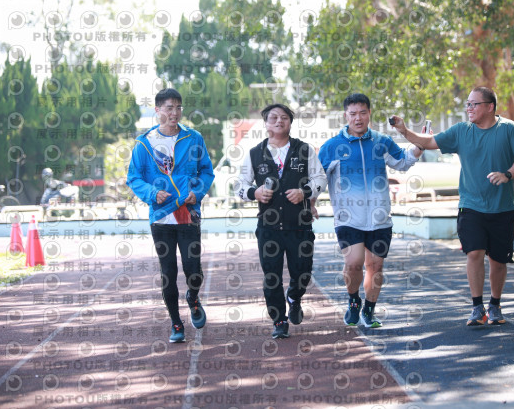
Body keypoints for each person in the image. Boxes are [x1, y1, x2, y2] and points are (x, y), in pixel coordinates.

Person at [390, 87, 514, 326]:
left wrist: (507, 174)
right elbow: (429, 141)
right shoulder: (461, 131)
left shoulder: (510, 129)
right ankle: (477, 307)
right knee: (474, 252)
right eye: (468, 104)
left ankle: (495, 304)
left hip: (502, 207)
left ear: (490, 106)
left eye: (474, 104)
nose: (469, 108)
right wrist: (404, 131)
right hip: (471, 206)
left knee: (498, 261)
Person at [318, 93, 423, 328]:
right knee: (354, 263)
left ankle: (369, 309)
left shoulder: (381, 141)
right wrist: (310, 202)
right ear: (345, 116)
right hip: (348, 218)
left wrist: (420, 146)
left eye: (363, 113)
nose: (358, 118)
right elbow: (318, 178)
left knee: (375, 267)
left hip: (380, 218)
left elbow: (402, 161)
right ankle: (354, 300)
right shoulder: (332, 147)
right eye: (353, 114)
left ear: (369, 114)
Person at [127, 88, 214, 343]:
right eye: (169, 108)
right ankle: (176, 322)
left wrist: (197, 193)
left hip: (188, 212)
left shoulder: (193, 138)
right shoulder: (144, 143)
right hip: (161, 216)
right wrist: (153, 193)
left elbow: (206, 171)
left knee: (193, 269)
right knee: (168, 271)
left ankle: (193, 298)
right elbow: (134, 178)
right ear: (157, 110)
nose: (174, 113)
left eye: (178, 107)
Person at [235, 103, 327, 339]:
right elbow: (239, 186)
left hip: (300, 226)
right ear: (266, 123)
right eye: (273, 117)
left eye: (284, 117)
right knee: (271, 276)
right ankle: (278, 320)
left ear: (290, 122)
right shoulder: (255, 153)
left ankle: (294, 297)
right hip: (268, 228)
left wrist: (304, 192)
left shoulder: (304, 150)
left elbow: (320, 178)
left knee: (303, 273)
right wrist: (254, 193)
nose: (279, 121)